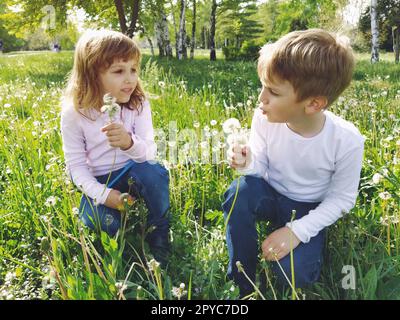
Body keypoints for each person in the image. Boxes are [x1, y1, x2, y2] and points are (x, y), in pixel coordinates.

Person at [223, 29, 364, 297]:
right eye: (262, 86)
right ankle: (242, 278)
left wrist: (296, 232)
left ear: (313, 104)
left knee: (294, 276)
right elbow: (259, 168)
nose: (261, 99)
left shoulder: (347, 140)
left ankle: (305, 250)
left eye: (273, 92)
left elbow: (342, 199)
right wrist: (246, 161)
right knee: (239, 190)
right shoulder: (263, 119)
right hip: (270, 193)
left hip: (309, 208)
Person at [60, 30, 170, 266]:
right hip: (99, 180)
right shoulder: (74, 113)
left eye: (133, 69)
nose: (130, 79)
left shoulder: (137, 104)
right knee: (105, 224)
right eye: (119, 71)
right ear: (92, 75)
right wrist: (103, 195)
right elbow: (76, 167)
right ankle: (116, 230)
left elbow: (150, 153)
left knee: (156, 173)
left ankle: (159, 231)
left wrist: (129, 143)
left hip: (134, 171)